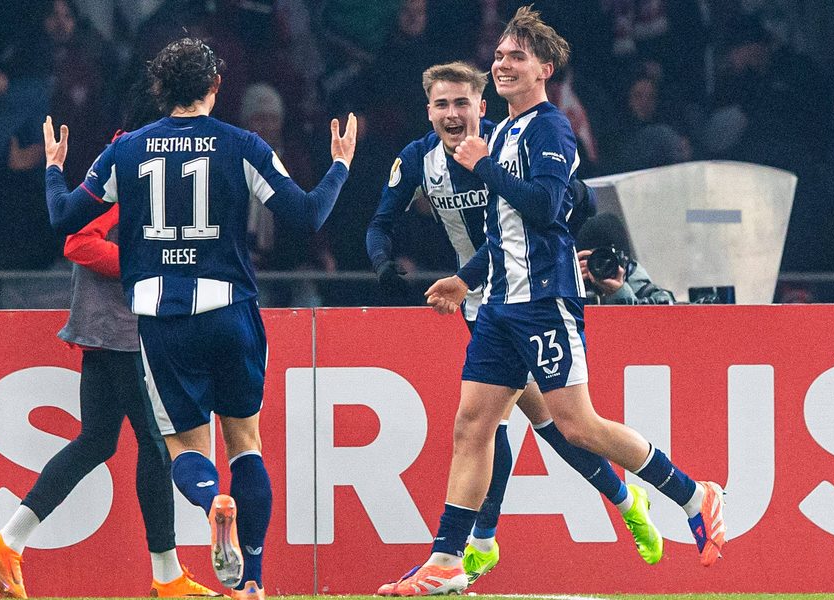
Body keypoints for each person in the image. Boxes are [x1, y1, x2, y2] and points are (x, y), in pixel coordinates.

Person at [383, 7, 726, 595]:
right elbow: (504, 231)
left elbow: (545, 207)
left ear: (544, 68)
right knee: (472, 425)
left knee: (577, 425)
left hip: (544, 298)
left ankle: (695, 494)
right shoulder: (502, 133)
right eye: (499, 56)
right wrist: (467, 279)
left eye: (516, 57)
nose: (502, 64)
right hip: (499, 305)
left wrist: (483, 166)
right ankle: (446, 559)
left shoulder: (550, 128)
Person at [43, 37, 357, 600]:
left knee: (185, 450)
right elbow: (307, 214)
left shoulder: (125, 150)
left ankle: (212, 502)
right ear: (216, 86)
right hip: (230, 310)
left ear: (159, 89)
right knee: (247, 444)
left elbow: (65, 217)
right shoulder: (243, 144)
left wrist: (52, 169)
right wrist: (339, 166)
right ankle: (253, 581)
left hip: (163, 322)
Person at [0, 101, 220, 599]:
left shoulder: (123, 165)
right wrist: (145, 266)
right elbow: (79, 243)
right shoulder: (131, 168)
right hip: (124, 334)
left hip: (105, 330)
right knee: (155, 444)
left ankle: (8, 541)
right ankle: (167, 577)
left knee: (97, 442)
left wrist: (54, 173)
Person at [575, 212, 676, 305]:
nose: (602, 265)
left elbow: (662, 317)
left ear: (624, 259)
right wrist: (571, 284)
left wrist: (620, 295)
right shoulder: (578, 292)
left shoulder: (657, 298)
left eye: (606, 257)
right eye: (594, 259)